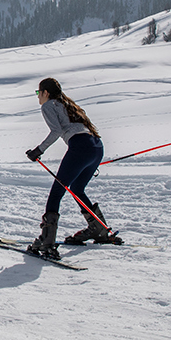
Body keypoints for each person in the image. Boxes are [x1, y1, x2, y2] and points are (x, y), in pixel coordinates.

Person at [24, 77, 120, 259]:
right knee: (76, 188)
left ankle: (47, 242)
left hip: (80, 148)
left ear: (45, 92)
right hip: (96, 147)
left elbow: (57, 131)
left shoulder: (48, 105)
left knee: (56, 193)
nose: (38, 97)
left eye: (38, 93)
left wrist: (38, 150)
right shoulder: (66, 103)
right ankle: (98, 228)